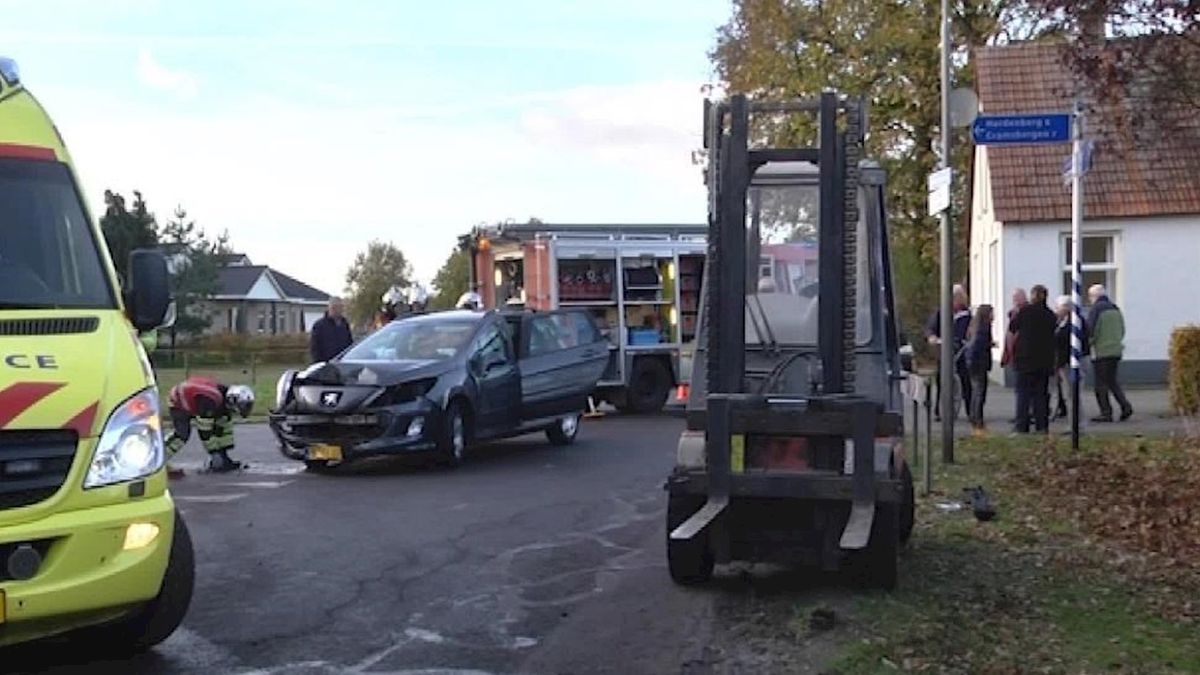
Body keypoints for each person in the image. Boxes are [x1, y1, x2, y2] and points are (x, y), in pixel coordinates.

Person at [164, 376, 255, 474]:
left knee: (223, 421)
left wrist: (223, 454)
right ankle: (158, 461)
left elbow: (224, 429)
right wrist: (214, 453)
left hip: (194, 397)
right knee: (182, 434)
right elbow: (204, 431)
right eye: (242, 405)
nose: (243, 409)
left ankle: (224, 458)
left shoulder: (224, 397)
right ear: (232, 400)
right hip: (179, 401)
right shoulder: (210, 401)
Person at [1008, 284, 1057, 434]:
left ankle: (1021, 426)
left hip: (1024, 359)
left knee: (1023, 393)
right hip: (1044, 361)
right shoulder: (1050, 315)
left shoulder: (1025, 311)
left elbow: (1012, 328)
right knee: (1040, 394)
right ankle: (1042, 426)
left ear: (1032, 296)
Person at [1087, 284, 1133, 422]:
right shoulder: (1115, 308)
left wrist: (1088, 345)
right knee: (1112, 382)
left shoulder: (1096, 310)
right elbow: (1122, 329)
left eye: (1090, 297)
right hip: (1116, 350)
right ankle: (1125, 406)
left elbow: (1091, 331)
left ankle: (1106, 413)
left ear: (1094, 296)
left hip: (1102, 351)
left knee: (1100, 384)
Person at [925, 284, 972, 420]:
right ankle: (940, 411)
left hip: (961, 352)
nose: (956, 301)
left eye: (958, 298)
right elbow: (931, 327)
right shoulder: (942, 312)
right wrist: (932, 337)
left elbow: (970, 330)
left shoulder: (966, 314)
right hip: (945, 351)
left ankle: (971, 411)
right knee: (942, 381)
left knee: (965, 380)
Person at [1053, 295, 1089, 420]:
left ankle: (1078, 425)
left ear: (1066, 308)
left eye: (1058, 307)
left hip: (1073, 362)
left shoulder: (1075, 322)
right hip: (1065, 362)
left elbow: (1067, 342)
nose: (1056, 310)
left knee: (1074, 394)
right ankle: (1074, 423)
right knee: (1070, 395)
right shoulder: (1063, 321)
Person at [964, 304, 995, 433]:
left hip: (973, 363)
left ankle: (974, 416)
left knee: (976, 391)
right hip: (979, 363)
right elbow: (978, 346)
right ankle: (978, 419)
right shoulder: (983, 328)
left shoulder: (974, 327)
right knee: (979, 392)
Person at [310, 297, 353, 363]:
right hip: (326, 364)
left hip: (343, 363)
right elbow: (315, 348)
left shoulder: (344, 324)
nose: (338, 310)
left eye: (340, 307)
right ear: (329, 308)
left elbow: (350, 343)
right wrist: (320, 364)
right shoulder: (319, 325)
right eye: (334, 307)